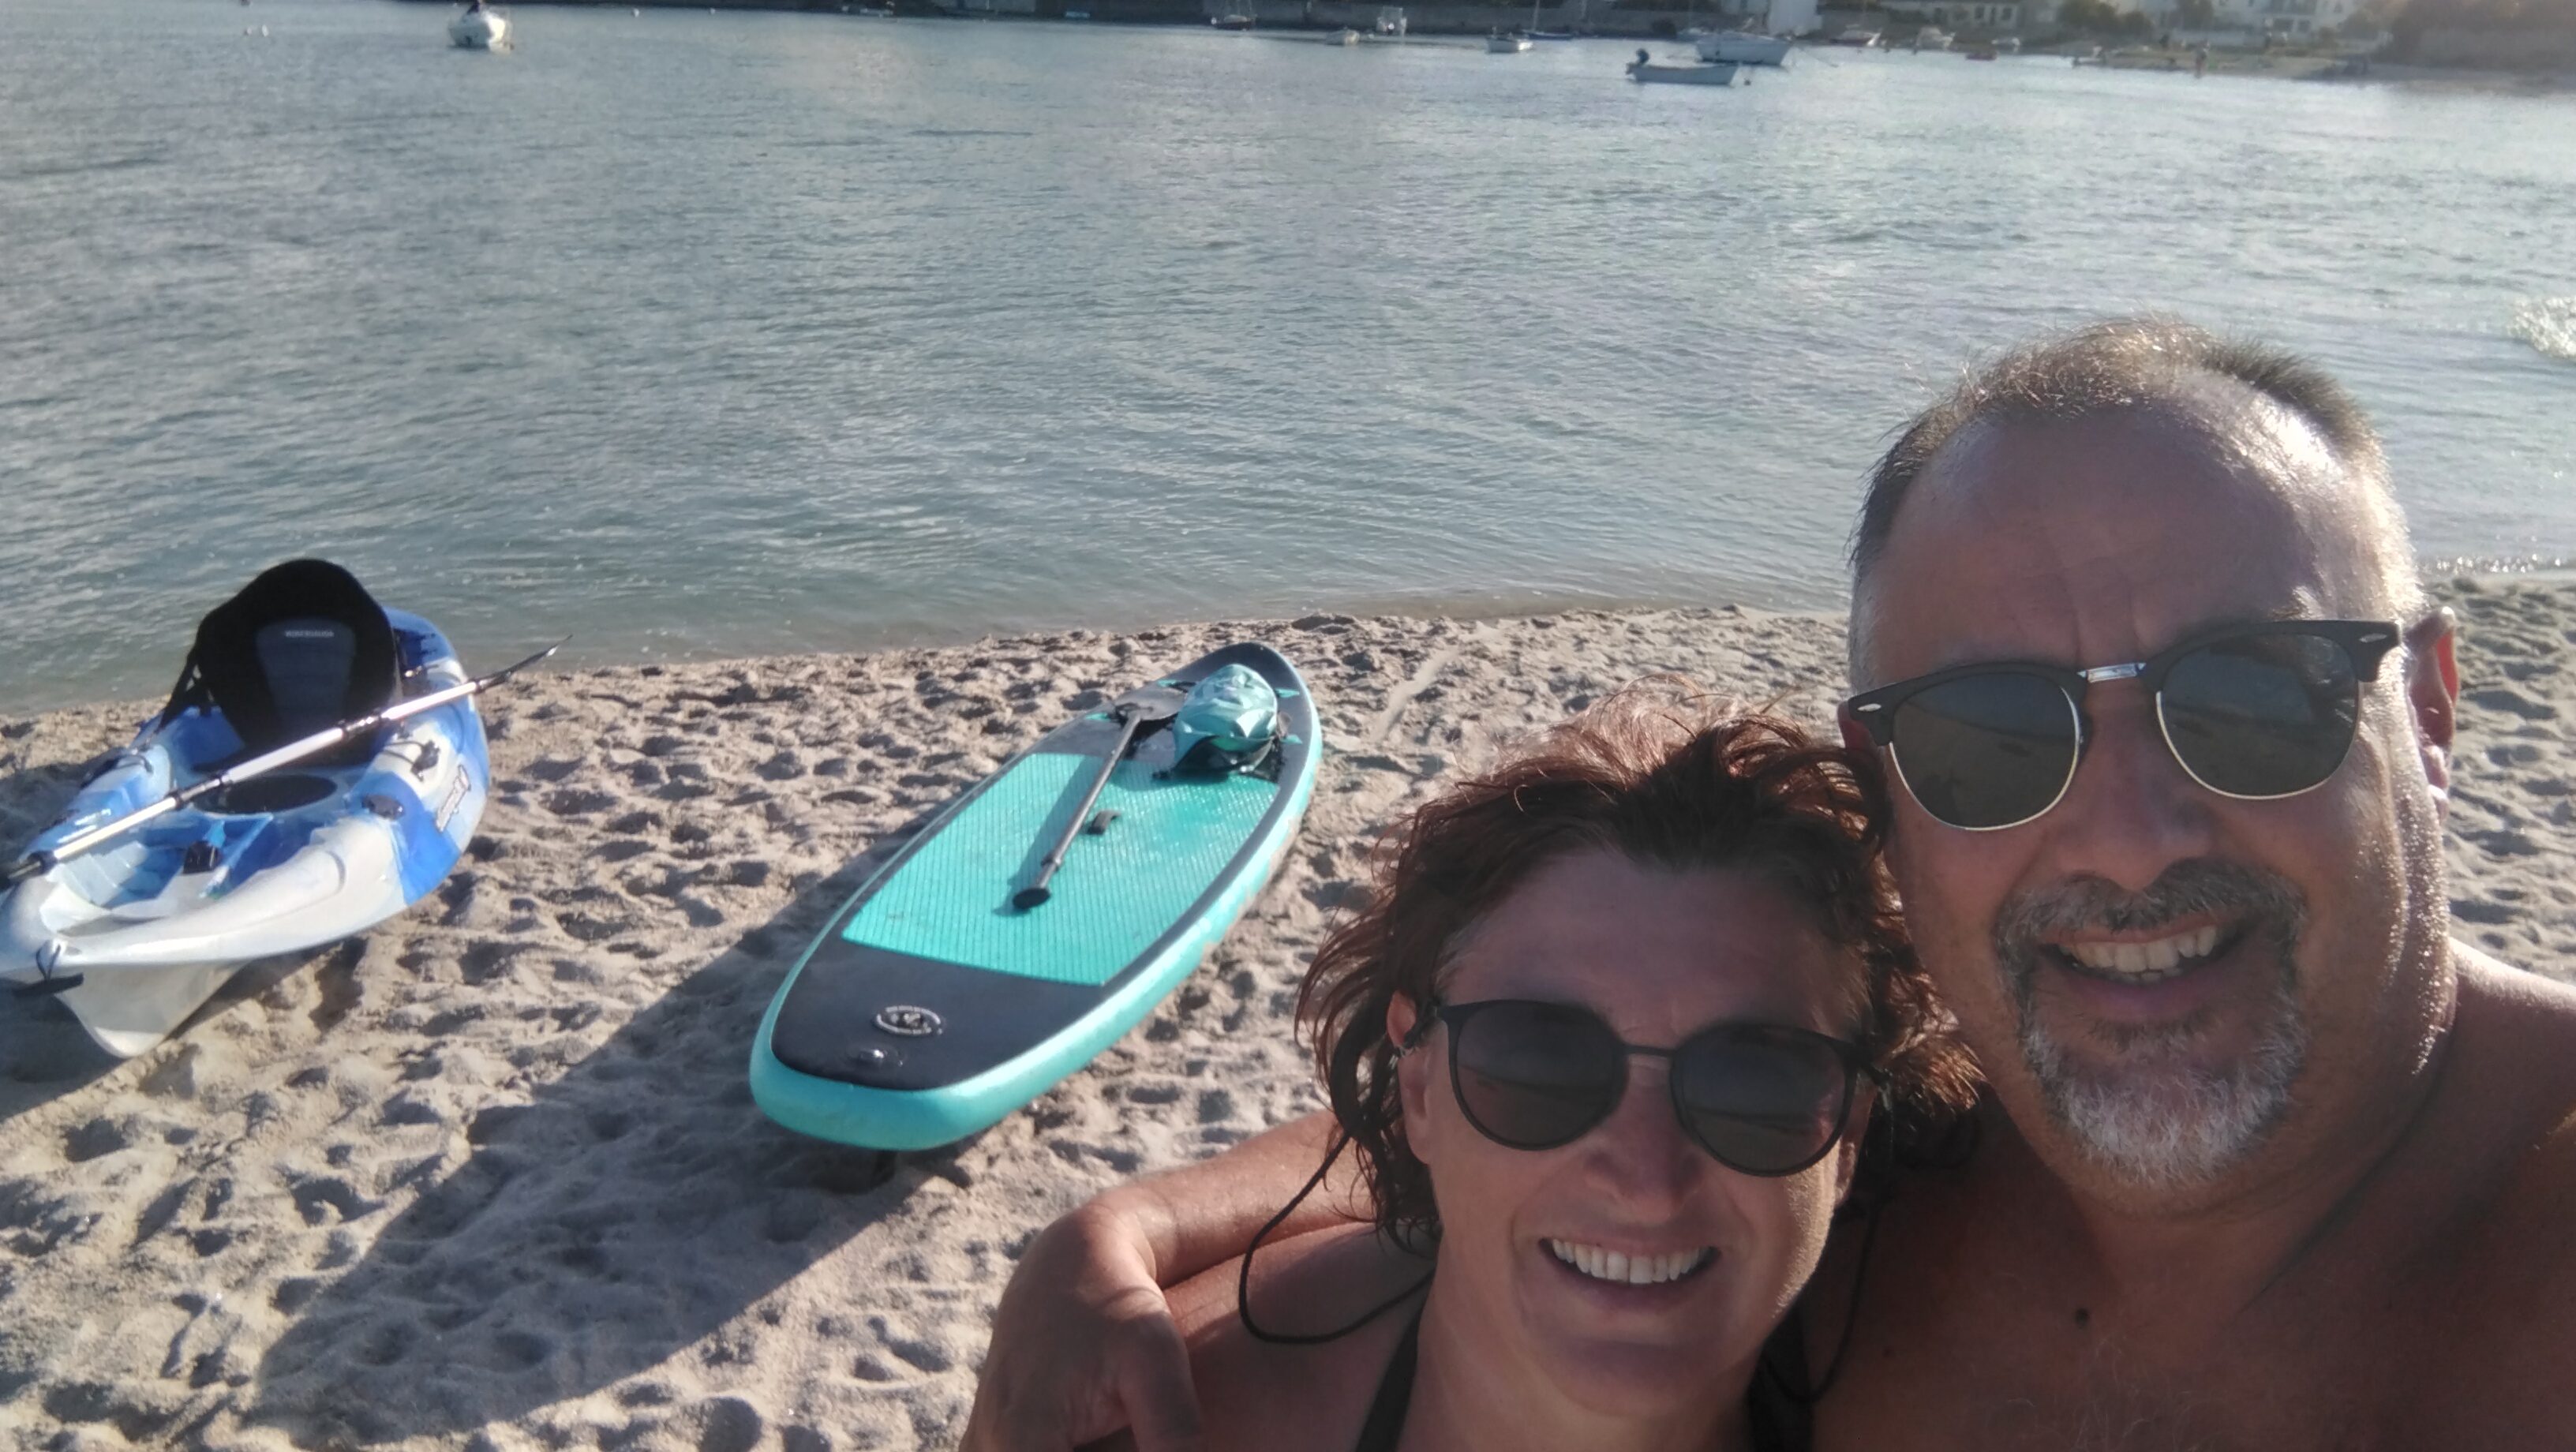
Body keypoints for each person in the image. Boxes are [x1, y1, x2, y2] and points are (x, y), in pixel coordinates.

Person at [964, 318, 2576, 1450]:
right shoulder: (1924, 1141)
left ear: (2429, 711)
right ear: (1888, 790)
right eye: (1991, 738)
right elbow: (1564, 1103)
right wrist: (1120, 1227)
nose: (2128, 834)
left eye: (2251, 697)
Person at [1130, 691, 1973, 1452]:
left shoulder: (1966, 1387)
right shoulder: (1185, 1418)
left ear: (1849, 1132)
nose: (1647, 1183)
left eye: (1753, 1086)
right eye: (1540, 1066)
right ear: (1419, 1089)